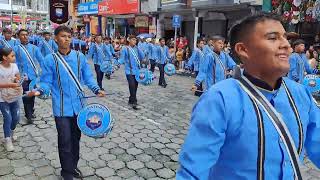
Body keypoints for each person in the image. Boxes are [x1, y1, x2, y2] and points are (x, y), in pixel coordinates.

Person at [177, 13, 320, 179]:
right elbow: (193, 171)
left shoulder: (301, 94)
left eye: (286, 38)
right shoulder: (218, 99)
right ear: (243, 50)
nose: (286, 45)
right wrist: (198, 82)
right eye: (273, 38)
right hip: (216, 84)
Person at [35, 26, 105, 180]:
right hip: (61, 108)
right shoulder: (49, 59)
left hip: (79, 107)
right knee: (64, 140)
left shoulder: (80, 57)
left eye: (68, 36)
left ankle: (73, 166)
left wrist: (96, 89)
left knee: (75, 139)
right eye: (62, 36)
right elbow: (46, 82)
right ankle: (66, 173)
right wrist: (40, 91)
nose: (66, 39)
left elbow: (88, 77)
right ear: (56, 39)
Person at [14, 29, 44, 124]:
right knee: (26, 95)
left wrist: (44, 72)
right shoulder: (16, 49)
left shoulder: (35, 48)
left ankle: (31, 110)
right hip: (23, 76)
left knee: (33, 94)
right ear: (18, 36)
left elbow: (41, 60)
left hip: (34, 75)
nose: (25, 36)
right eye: (22, 35)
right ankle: (28, 115)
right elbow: (12, 62)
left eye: (26, 35)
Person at [0, 48, 23, 151]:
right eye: (12, 56)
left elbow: (17, 76)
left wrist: (18, 80)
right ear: (4, 57)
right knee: (8, 118)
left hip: (14, 96)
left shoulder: (14, 66)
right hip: (2, 98)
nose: (14, 57)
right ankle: (7, 139)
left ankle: (11, 132)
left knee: (16, 118)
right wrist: (11, 84)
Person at [118, 35, 144, 110]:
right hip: (129, 71)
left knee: (135, 86)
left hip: (137, 71)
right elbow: (122, 59)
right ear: (129, 40)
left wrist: (139, 48)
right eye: (133, 40)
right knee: (132, 85)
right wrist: (117, 64)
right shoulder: (125, 48)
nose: (134, 41)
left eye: (135, 40)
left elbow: (142, 56)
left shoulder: (137, 48)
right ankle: (134, 102)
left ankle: (130, 99)